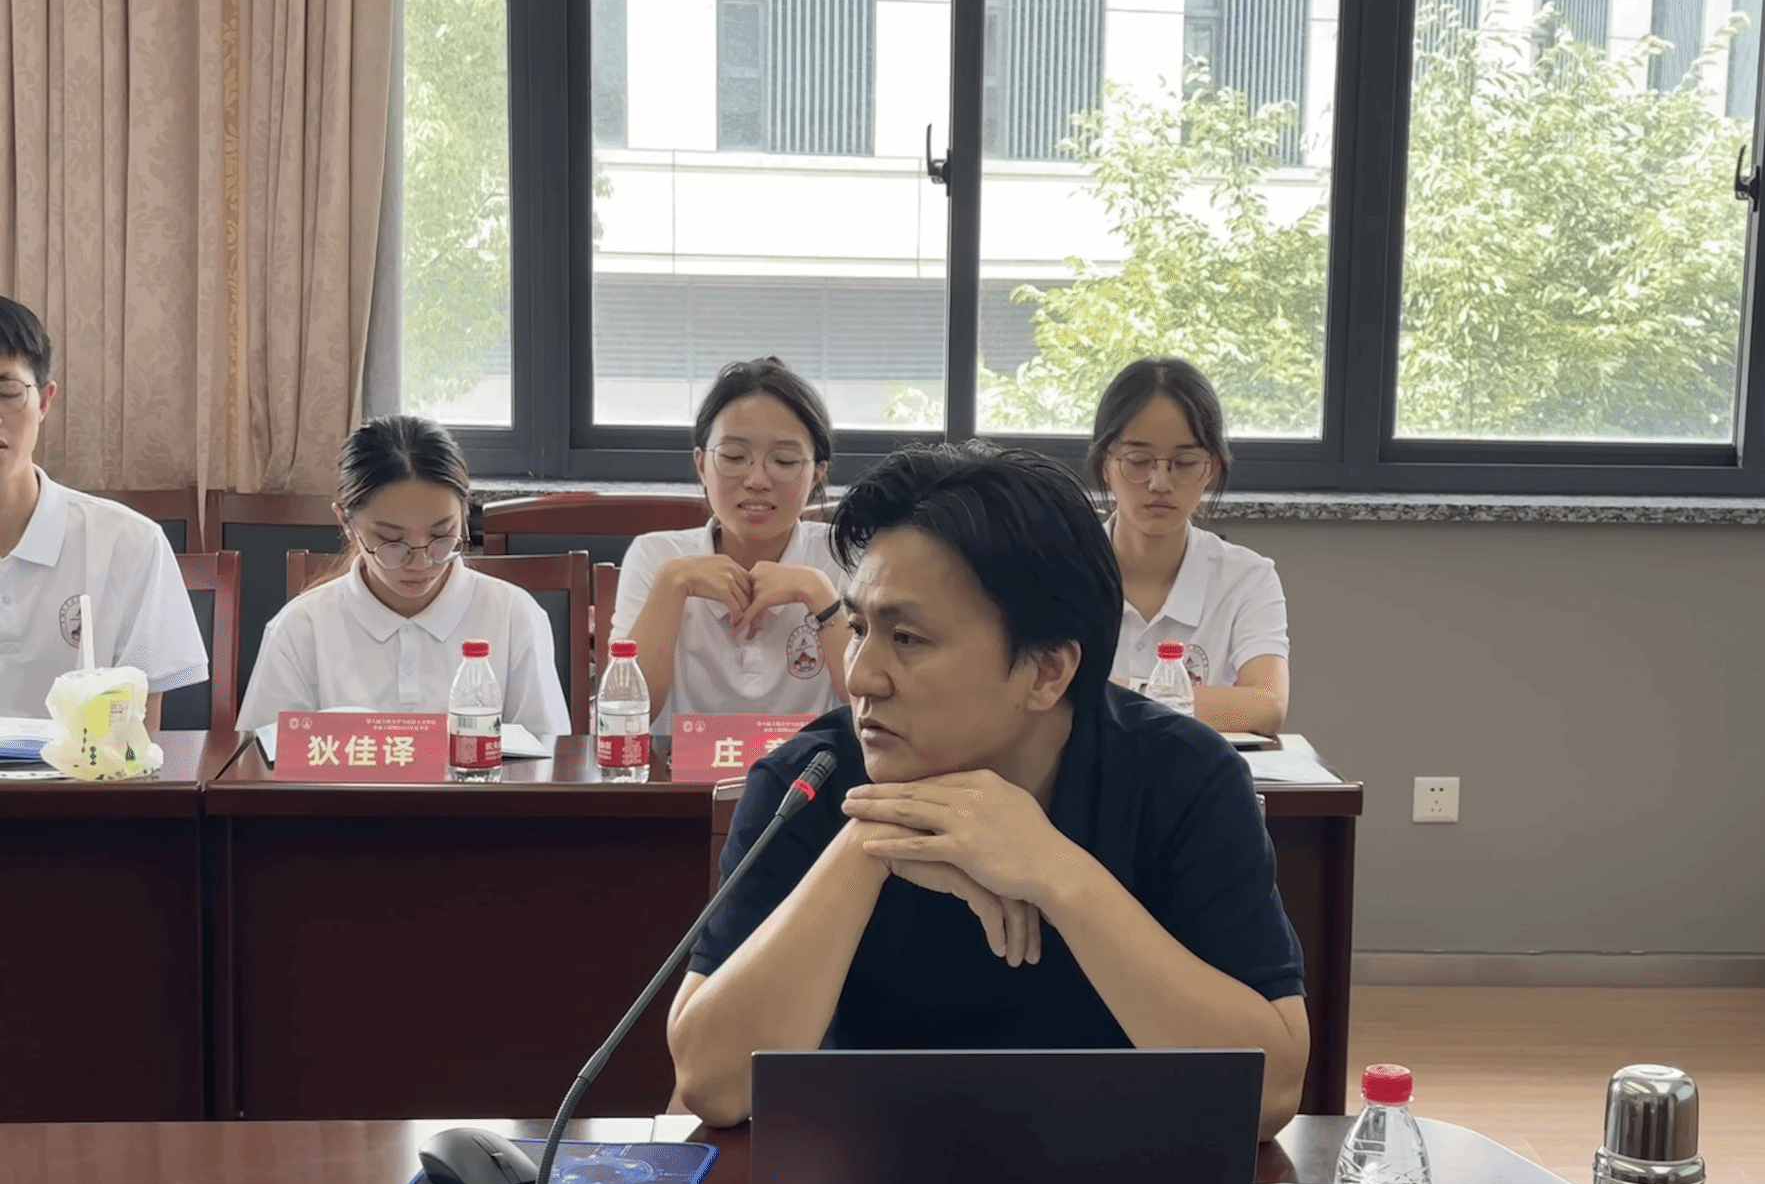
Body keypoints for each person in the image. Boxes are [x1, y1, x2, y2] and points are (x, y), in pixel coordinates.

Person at [666, 444, 1309, 1141]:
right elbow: (712, 1084)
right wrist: (862, 847)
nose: (861, 677)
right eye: (858, 629)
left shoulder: (1181, 776)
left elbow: (1270, 1092)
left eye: (907, 637)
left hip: (1119, 1165)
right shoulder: (810, 781)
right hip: (866, 1172)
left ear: (1047, 672)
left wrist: (1058, 875)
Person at [236, 415, 571, 735]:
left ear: (464, 513)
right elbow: (261, 760)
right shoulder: (301, 628)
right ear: (346, 523)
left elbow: (546, 756)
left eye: (442, 536)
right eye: (392, 542)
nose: (421, 562)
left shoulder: (513, 616)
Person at [0, 295, 208, 726]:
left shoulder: (130, 545)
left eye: (6, 392)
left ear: (45, 401)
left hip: (84, 774)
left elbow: (139, 737)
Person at [610, 357, 847, 722]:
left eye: (784, 461)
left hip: (816, 762)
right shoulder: (656, 556)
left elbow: (878, 710)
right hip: (679, 762)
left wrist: (821, 596)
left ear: (817, 473)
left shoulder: (841, 556)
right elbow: (624, 717)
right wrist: (671, 584)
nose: (757, 480)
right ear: (701, 464)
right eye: (735, 457)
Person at [1091, 358, 1290, 734]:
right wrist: (1188, 701)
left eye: (1184, 463)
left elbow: (1267, 706)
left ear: (1210, 469)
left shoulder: (1247, 578)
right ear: (1105, 464)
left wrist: (1115, 694)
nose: (1160, 483)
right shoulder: (1062, 567)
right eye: (1138, 461)